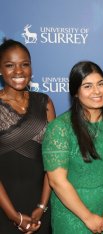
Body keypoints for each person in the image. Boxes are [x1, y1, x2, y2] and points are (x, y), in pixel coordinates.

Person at [42, 61, 103, 233]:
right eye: (87, 86)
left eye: (100, 84)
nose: (97, 91)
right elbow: (56, 180)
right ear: (75, 92)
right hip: (73, 217)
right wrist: (87, 217)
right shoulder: (60, 128)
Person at [0, 39, 55, 233]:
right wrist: (14, 217)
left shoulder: (44, 102)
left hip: (41, 207)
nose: (18, 71)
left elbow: (52, 160)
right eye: (9, 65)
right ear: (0, 69)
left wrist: (42, 206)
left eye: (25, 64)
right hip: (4, 207)